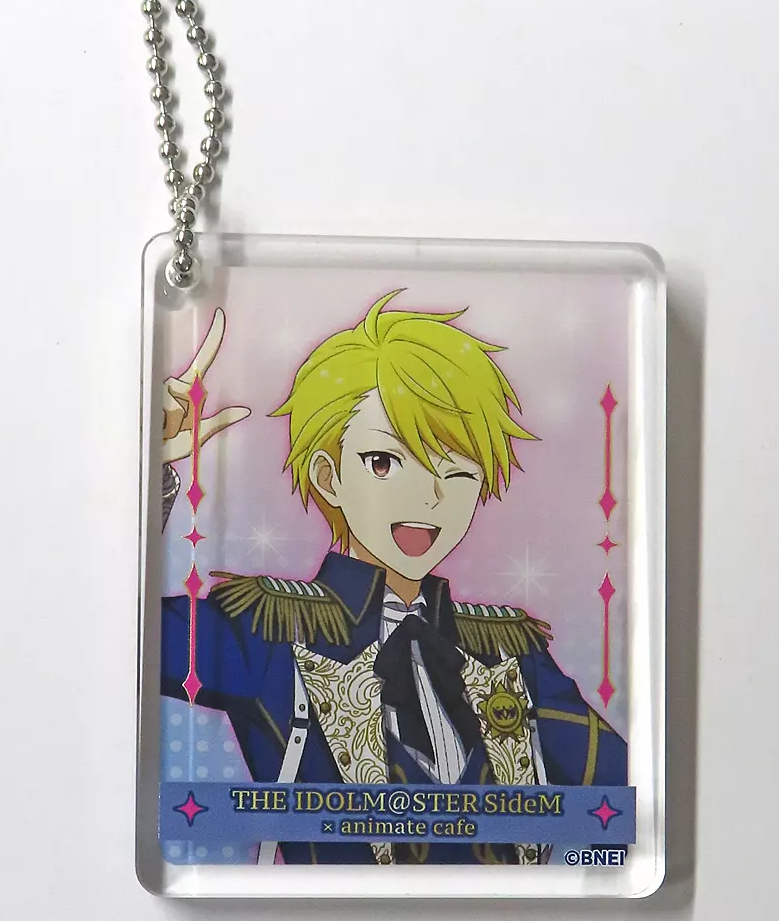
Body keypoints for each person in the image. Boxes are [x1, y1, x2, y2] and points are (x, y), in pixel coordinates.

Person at [160, 293, 626, 865]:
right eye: (384, 462)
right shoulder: (267, 633)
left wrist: (588, 879)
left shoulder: (508, 650)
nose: (427, 497)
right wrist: (152, 469)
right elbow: (124, 635)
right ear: (329, 476)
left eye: (457, 473)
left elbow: (627, 792)